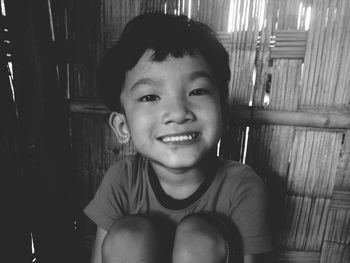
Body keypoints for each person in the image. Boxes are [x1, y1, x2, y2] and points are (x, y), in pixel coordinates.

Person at [84, 12, 273, 263]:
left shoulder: (243, 187)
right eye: (150, 97)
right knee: (127, 237)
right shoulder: (122, 181)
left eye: (197, 91)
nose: (177, 113)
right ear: (122, 126)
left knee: (198, 238)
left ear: (223, 113)